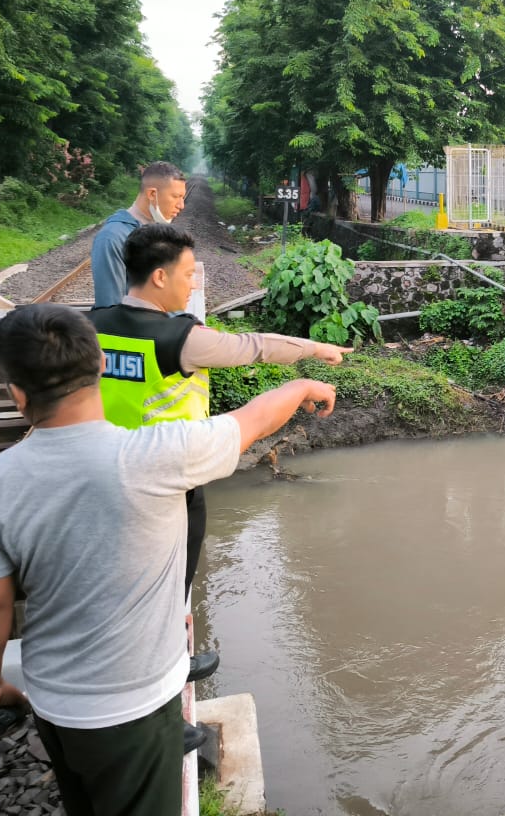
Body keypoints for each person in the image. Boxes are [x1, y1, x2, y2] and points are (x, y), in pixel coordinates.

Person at [0, 303, 335, 816]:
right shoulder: (157, 457)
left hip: (52, 703)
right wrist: (302, 388)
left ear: (17, 392)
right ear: (98, 367)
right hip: (135, 706)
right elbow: (251, 421)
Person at [86, 223, 350, 749]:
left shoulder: (91, 325)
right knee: (165, 597)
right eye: (186, 275)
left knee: (128, 592)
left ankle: (171, 669)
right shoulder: (175, 338)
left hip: (106, 470)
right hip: (170, 477)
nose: (191, 286)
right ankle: (162, 718)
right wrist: (314, 349)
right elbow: (252, 348)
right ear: (159, 276)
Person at [90, 161, 187, 309]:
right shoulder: (112, 237)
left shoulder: (161, 232)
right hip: (134, 331)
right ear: (152, 194)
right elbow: (110, 309)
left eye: (183, 197)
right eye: (176, 196)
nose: (181, 205)